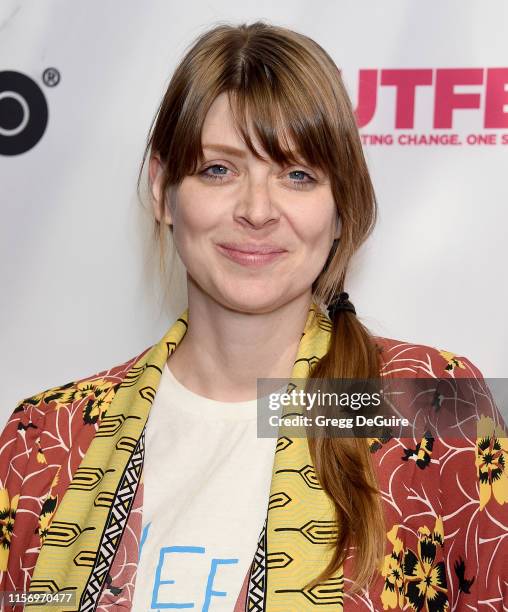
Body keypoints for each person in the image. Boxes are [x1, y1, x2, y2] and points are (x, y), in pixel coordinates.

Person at [0, 20, 506, 612]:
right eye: (220, 169)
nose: (257, 210)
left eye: (297, 175)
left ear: (339, 206)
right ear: (163, 189)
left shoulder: (432, 406)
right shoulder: (43, 440)